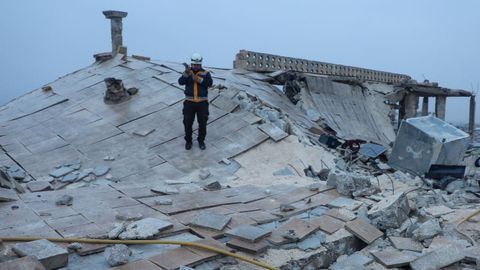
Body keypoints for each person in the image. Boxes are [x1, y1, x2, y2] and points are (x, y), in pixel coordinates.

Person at [178, 53, 213, 150]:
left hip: (202, 103)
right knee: (187, 123)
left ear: (200, 64)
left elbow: (209, 83)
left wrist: (197, 79)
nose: (196, 66)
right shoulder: (187, 72)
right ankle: (188, 141)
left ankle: (201, 141)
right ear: (191, 64)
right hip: (189, 103)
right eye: (194, 64)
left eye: (197, 65)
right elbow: (180, 82)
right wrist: (186, 74)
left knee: (202, 123)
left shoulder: (206, 73)